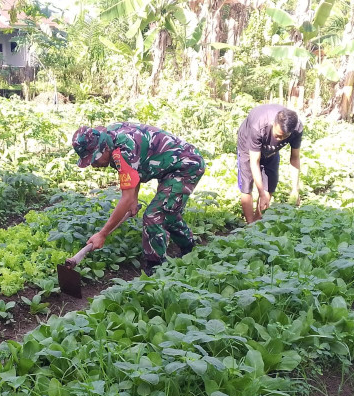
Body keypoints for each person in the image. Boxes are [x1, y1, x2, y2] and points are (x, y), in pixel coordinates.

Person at [72, 123, 205, 275]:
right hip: (171, 165)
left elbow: (125, 197)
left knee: (154, 215)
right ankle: (189, 247)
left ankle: (156, 269)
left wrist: (102, 233)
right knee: (168, 210)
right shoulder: (109, 138)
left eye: (94, 159)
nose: (93, 165)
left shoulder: (123, 151)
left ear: (105, 148)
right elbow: (134, 171)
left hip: (186, 166)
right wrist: (134, 199)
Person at [237, 104, 303, 224]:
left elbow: (295, 158)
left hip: (271, 151)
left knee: (270, 185)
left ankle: (256, 223)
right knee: (247, 185)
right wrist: (261, 193)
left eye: (284, 137)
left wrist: (295, 189)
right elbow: (254, 162)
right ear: (274, 123)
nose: (279, 139)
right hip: (248, 144)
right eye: (277, 135)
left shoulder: (297, 129)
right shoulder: (258, 126)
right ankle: (249, 224)